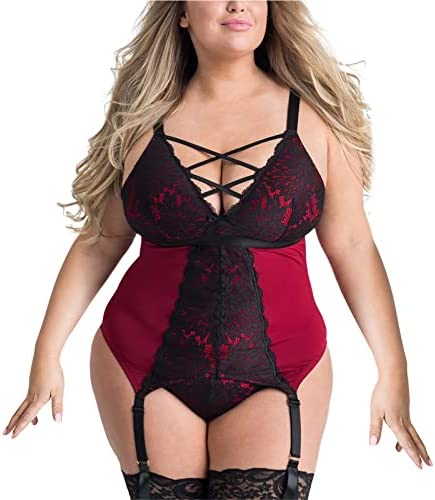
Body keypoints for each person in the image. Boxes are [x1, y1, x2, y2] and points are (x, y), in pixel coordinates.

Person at [3, 1, 432, 499]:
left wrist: (393, 370)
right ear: (182, 13)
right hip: (142, 360)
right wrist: (46, 355)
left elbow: (354, 246)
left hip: (281, 368)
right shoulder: (139, 118)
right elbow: (101, 241)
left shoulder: (319, 118)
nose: (236, 3)